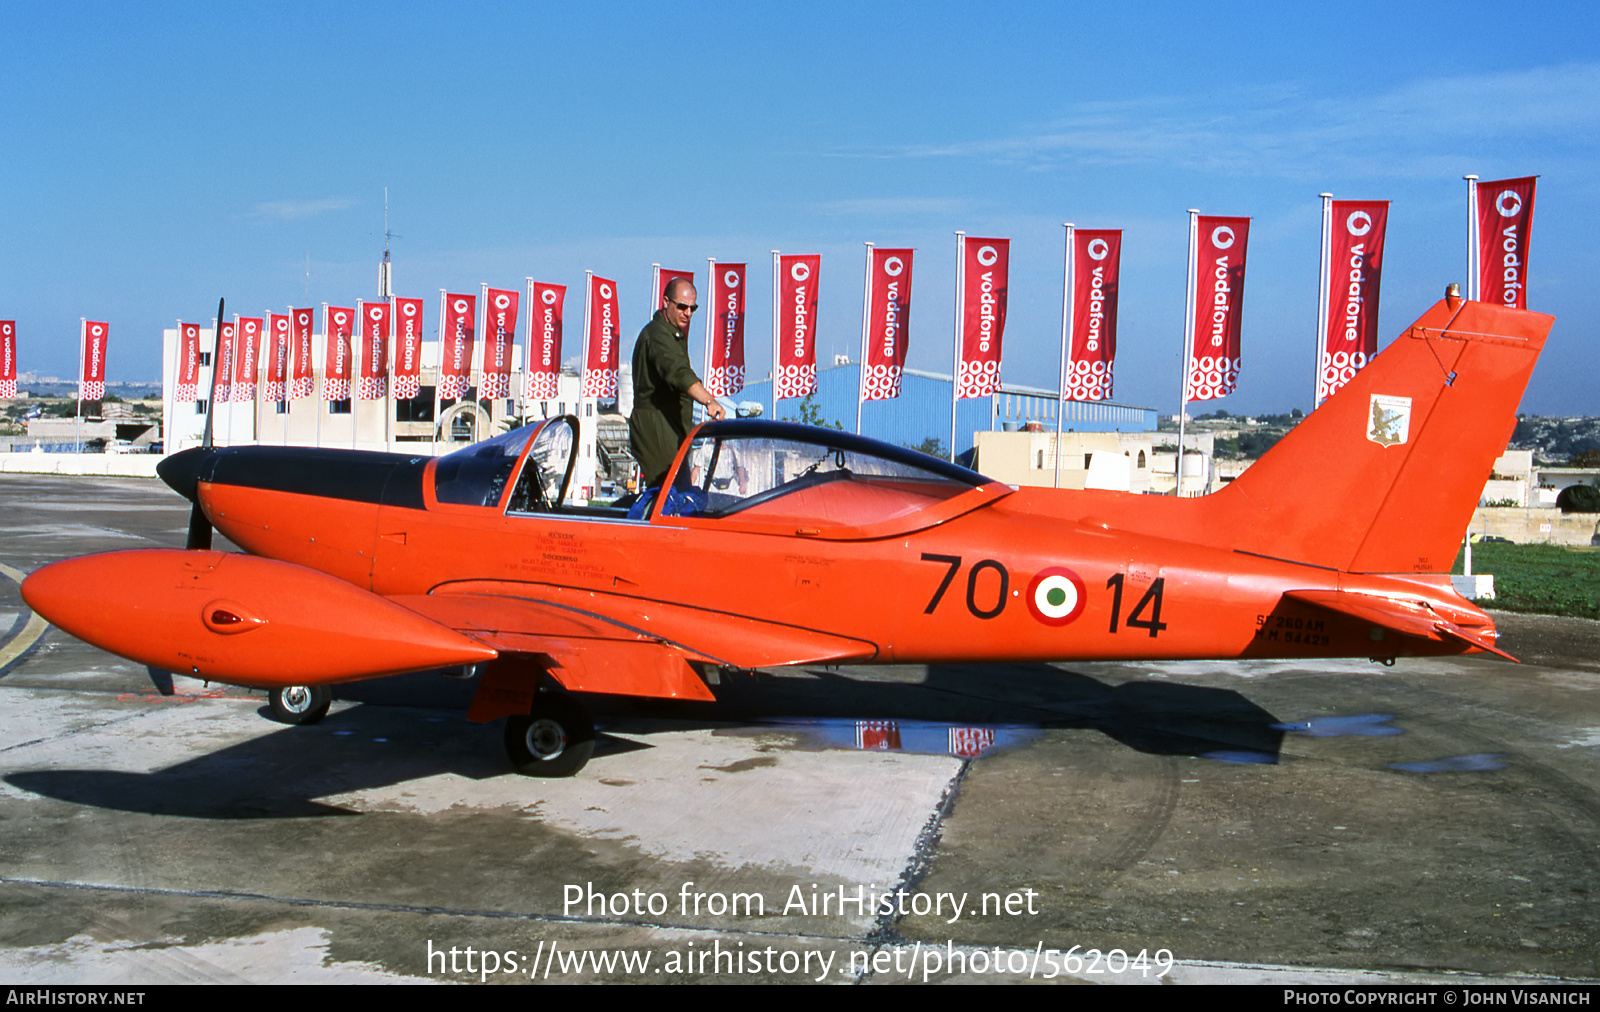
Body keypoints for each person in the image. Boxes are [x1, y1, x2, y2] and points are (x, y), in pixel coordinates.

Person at [628, 278, 726, 488]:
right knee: (668, 495)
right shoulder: (658, 335)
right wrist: (709, 401)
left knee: (677, 493)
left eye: (693, 308)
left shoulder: (673, 335)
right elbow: (679, 373)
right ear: (666, 302)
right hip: (657, 426)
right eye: (682, 306)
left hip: (670, 427)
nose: (688, 313)